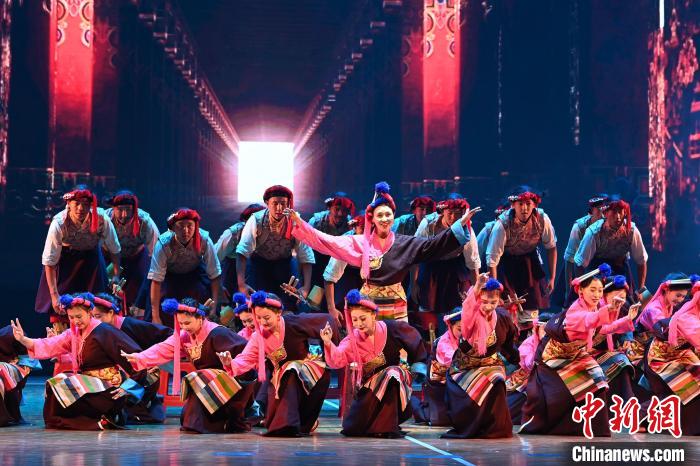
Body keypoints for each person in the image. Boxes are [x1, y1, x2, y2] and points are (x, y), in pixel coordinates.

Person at [287, 182, 480, 322]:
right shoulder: (360, 242)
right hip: (368, 305)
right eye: (380, 215)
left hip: (396, 305)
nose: (385, 218)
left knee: (397, 351)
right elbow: (328, 241)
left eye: (388, 214)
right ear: (372, 218)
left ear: (393, 217)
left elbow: (433, 245)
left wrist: (459, 225)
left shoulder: (404, 243)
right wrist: (300, 223)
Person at [520, 264, 639, 436]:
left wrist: (627, 319)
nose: (597, 295)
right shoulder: (575, 311)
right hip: (553, 356)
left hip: (576, 354)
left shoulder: (593, 308)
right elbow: (589, 320)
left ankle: (596, 429)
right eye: (593, 290)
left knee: (598, 381)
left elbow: (602, 329)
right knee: (559, 397)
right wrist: (609, 309)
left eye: (600, 290)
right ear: (581, 290)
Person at [13, 293, 145, 430]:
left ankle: (104, 418)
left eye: (79, 316)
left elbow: (136, 357)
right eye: (71, 317)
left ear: (89, 313)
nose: (76, 321)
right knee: (55, 384)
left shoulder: (105, 331)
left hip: (108, 390)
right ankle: (78, 421)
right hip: (90, 384)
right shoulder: (74, 333)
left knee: (66, 386)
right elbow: (50, 344)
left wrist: (128, 387)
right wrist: (23, 339)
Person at [122, 297, 255, 433]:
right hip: (206, 382)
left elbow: (247, 354)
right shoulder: (184, 336)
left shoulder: (218, 333)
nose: (184, 327)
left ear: (200, 318)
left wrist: (231, 364)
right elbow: (163, 348)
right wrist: (139, 357)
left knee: (195, 413)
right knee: (187, 416)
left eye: (187, 323)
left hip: (233, 382)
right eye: (181, 324)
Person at [222, 291, 338, 437]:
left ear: (278, 314)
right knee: (276, 414)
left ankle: (291, 424)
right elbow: (246, 358)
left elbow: (327, 320)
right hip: (279, 379)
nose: (262, 322)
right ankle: (292, 423)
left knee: (291, 369)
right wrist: (230, 363)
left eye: (266, 318)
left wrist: (329, 347)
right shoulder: (258, 337)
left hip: (308, 372)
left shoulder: (294, 322)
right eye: (258, 318)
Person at [320, 289, 427, 437]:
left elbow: (413, 338)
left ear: (373, 315)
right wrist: (328, 343)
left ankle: (387, 427)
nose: (359, 324)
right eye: (354, 320)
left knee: (392, 373)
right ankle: (378, 425)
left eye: (363, 318)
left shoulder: (392, 328)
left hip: (395, 382)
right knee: (353, 428)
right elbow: (337, 359)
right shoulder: (353, 340)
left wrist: (418, 364)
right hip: (370, 387)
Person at [442, 274, 520, 438]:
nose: (489, 307)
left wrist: (516, 360)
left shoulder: (501, 317)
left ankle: (496, 428)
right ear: (477, 299)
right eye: (484, 302)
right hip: (465, 367)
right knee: (483, 382)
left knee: (497, 380)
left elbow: (508, 344)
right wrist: (477, 287)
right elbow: (468, 306)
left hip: (490, 364)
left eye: (493, 302)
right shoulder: (470, 317)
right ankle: (473, 426)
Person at [35, 186, 121, 330]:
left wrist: (116, 274)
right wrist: (54, 295)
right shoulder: (59, 222)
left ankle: (93, 338)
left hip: (92, 260)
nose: (81, 208)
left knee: (96, 305)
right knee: (62, 307)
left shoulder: (101, 219)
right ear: (69, 204)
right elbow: (49, 262)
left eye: (85, 204)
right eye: (77, 204)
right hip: (66, 262)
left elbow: (115, 248)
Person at [486, 186, 557, 337]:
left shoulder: (542, 219)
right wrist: (494, 288)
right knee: (508, 308)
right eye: (520, 204)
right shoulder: (502, 224)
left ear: (534, 204)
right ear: (513, 205)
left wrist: (552, 277)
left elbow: (551, 247)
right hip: (506, 265)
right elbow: (492, 260)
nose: (525, 208)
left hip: (529, 265)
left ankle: (529, 342)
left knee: (530, 307)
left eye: (528, 204)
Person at [90, 293, 172, 424]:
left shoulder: (131, 325)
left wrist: (151, 356)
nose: (95, 321)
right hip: (115, 374)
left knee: (148, 374)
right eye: (92, 317)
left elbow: (170, 335)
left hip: (140, 371)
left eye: (98, 316)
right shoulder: (95, 330)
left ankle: (136, 409)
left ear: (111, 313)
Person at [236, 186, 315, 312]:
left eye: (283, 203)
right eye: (275, 203)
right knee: (258, 303)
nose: (279, 208)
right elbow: (242, 252)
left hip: (285, 265)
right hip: (259, 265)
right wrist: (241, 285)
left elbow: (305, 254)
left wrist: (306, 287)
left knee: (292, 303)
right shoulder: (256, 220)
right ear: (267, 203)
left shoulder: (294, 220)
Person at [413, 193, 480, 333]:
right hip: (430, 268)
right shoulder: (428, 224)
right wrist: (414, 285)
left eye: (458, 214)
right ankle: (431, 340)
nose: (454, 217)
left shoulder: (466, 228)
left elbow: (472, 262)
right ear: (442, 211)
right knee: (427, 309)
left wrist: (476, 291)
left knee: (457, 309)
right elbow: (416, 254)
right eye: (450, 213)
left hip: (454, 268)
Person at [145, 208, 221, 327]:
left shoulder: (204, 240)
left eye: (190, 226)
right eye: (180, 226)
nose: (185, 230)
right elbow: (156, 280)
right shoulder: (163, 244)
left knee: (204, 298)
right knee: (163, 305)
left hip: (195, 274)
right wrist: (155, 317)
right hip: (169, 276)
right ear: (173, 228)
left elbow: (215, 275)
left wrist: (214, 308)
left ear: (196, 227)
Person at [643, 280, 700, 435]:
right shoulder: (686, 316)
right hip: (661, 357)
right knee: (688, 386)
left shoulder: (687, 310)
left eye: (683, 296)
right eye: (678, 295)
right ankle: (644, 417)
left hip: (681, 353)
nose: (680, 299)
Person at [574, 198, 648, 300]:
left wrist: (641, 289)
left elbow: (641, 261)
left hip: (621, 273)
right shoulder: (593, 233)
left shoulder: (632, 231)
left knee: (633, 304)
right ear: (605, 213)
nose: (618, 217)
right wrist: (583, 289)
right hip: (597, 274)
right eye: (614, 212)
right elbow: (579, 264)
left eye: (620, 212)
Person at [105, 190, 160, 311]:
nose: (124, 215)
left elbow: (156, 251)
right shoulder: (105, 219)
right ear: (113, 208)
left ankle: (136, 311)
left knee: (142, 282)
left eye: (128, 210)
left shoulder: (145, 221)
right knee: (105, 283)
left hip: (136, 256)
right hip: (109, 256)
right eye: (120, 209)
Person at [411, 310, 461, 426]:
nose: (463, 332)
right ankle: (414, 403)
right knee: (440, 420)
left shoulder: (467, 338)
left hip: (455, 378)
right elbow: (452, 360)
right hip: (439, 384)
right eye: (459, 329)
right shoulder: (443, 342)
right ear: (450, 326)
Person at [559, 194, 609, 306]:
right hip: (580, 267)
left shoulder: (608, 224)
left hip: (601, 266)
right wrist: (569, 290)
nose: (603, 214)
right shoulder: (579, 227)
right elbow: (570, 258)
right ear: (591, 212)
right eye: (599, 210)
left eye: (604, 209)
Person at [308, 192, 355, 303]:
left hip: (338, 257)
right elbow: (306, 241)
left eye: (344, 211)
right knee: (317, 283)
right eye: (337, 209)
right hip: (318, 257)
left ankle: (337, 304)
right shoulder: (317, 221)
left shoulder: (350, 224)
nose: (340, 214)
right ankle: (315, 306)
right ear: (330, 208)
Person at [215, 203, 265, 300]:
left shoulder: (267, 232)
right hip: (232, 273)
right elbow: (214, 259)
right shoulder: (232, 234)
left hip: (256, 272)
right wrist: (218, 284)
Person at [324, 215, 365, 325]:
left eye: (370, 229)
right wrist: (332, 308)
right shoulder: (345, 243)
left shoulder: (375, 240)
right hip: (345, 277)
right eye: (363, 228)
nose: (366, 233)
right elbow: (329, 277)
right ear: (355, 228)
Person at [0, 325, 41, 426]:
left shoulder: (11, 336)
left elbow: (28, 358)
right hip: (8, 366)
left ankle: (13, 416)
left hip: (17, 363)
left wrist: (18, 362)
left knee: (8, 376)